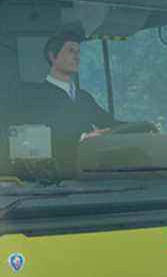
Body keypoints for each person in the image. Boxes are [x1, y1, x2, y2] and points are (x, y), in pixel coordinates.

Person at [20, 27, 126, 170]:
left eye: (78, 52)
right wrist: (82, 139)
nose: (77, 57)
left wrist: (142, 128)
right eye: (70, 51)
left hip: (90, 172)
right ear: (52, 56)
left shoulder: (84, 97)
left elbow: (109, 124)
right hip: (54, 181)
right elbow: (33, 141)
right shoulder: (35, 96)